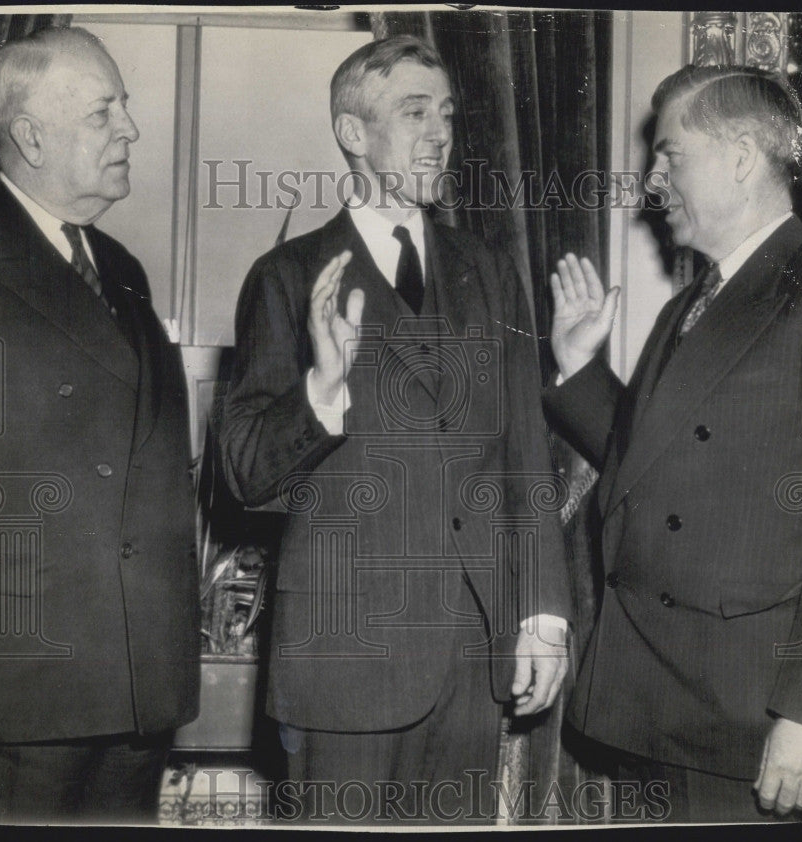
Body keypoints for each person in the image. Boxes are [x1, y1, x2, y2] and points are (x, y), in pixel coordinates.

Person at [542, 64, 802, 823]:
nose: (652, 181)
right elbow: (652, 464)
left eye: (670, 156)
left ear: (741, 157)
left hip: (750, 723)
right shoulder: (691, 304)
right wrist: (582, 369)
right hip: (651, 708)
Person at [220, 35, 570, 823]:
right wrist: (322, 391)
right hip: (345, 657)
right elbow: (243, 470)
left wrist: (543, 614)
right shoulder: (287, 277)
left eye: (445, 113)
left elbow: (524, 462)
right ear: (353, 133)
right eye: (414, 112)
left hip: (470, 660)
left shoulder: (490, 273)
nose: (439, 133)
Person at [0, 27, 199, 823]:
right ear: (33, 135)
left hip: (138, 682)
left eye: (125, 107)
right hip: (25, 689)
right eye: (103, 112)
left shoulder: (121, 267)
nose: (131, 130)